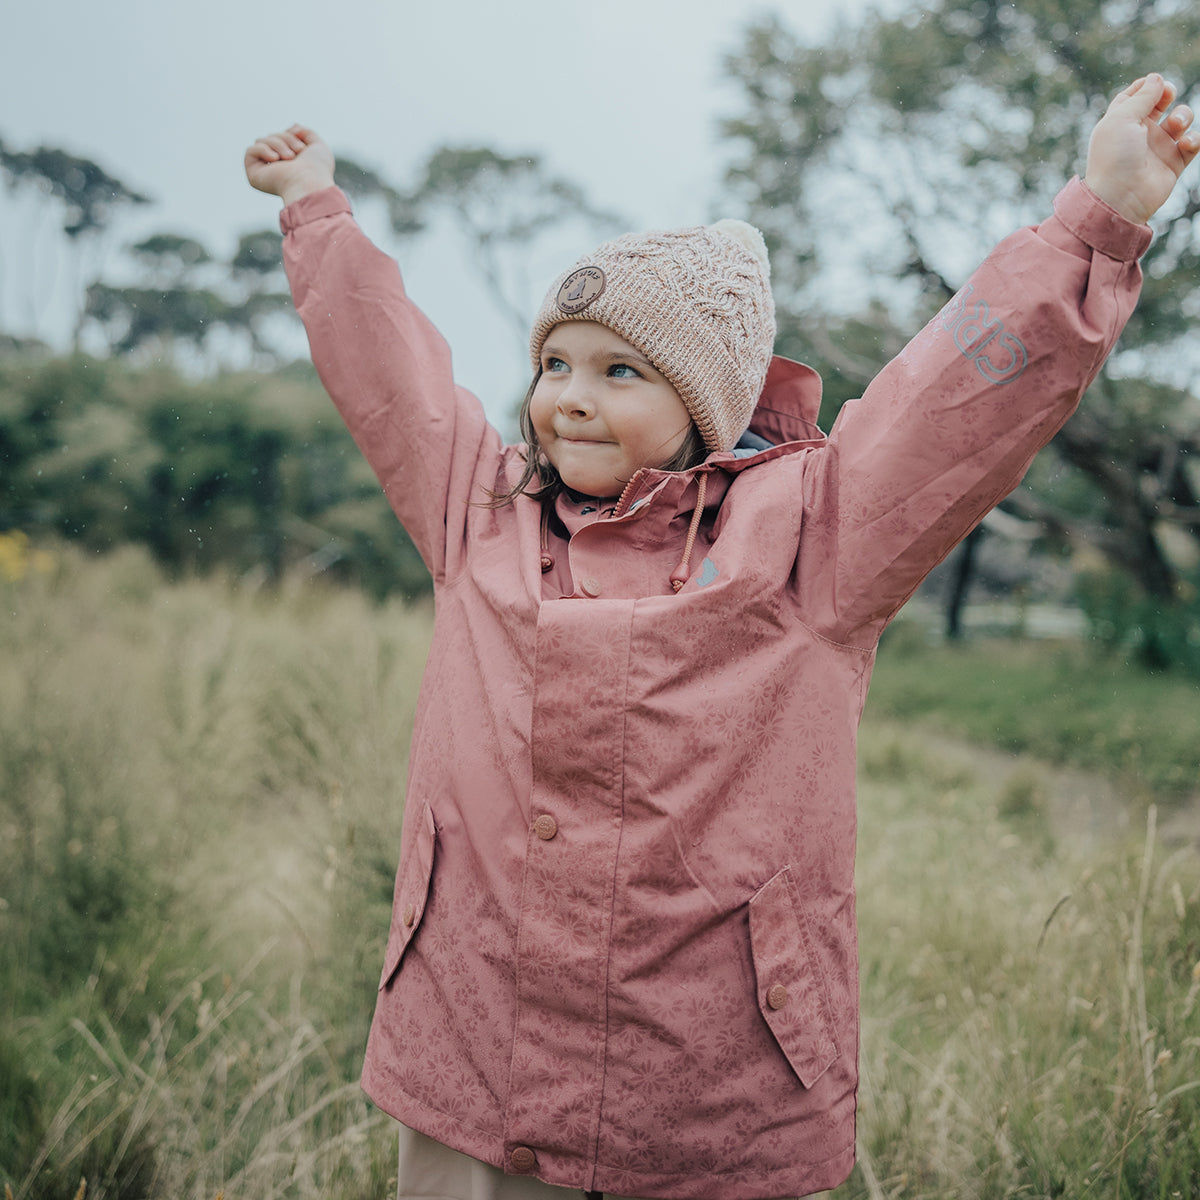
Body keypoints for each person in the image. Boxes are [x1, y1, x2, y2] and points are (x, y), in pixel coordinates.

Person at [245, 75, 1198, 1200]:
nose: (570, 398)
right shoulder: (483, 513)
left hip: (700, 1081)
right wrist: (316, 212)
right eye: (555, 364)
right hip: (478, 1042)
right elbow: (389, 372)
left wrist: (1096, 221)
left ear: (706, 405)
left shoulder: (811, 538)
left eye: (620, 371)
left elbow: (952, 405)